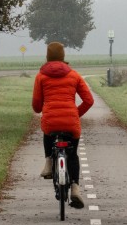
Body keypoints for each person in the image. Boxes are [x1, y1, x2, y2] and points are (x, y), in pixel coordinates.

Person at [32, 41, 93, 209]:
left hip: (51, 121)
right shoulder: (74, 75)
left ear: (47, 56)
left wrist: (43, 108)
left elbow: (36, 106)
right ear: (63, 56)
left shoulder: (41, 76)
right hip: (71, 122)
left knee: (47, 132)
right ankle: (75, 188)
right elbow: (89, 100)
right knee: (72, 155)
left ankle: (48, 163)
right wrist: (75, 114)